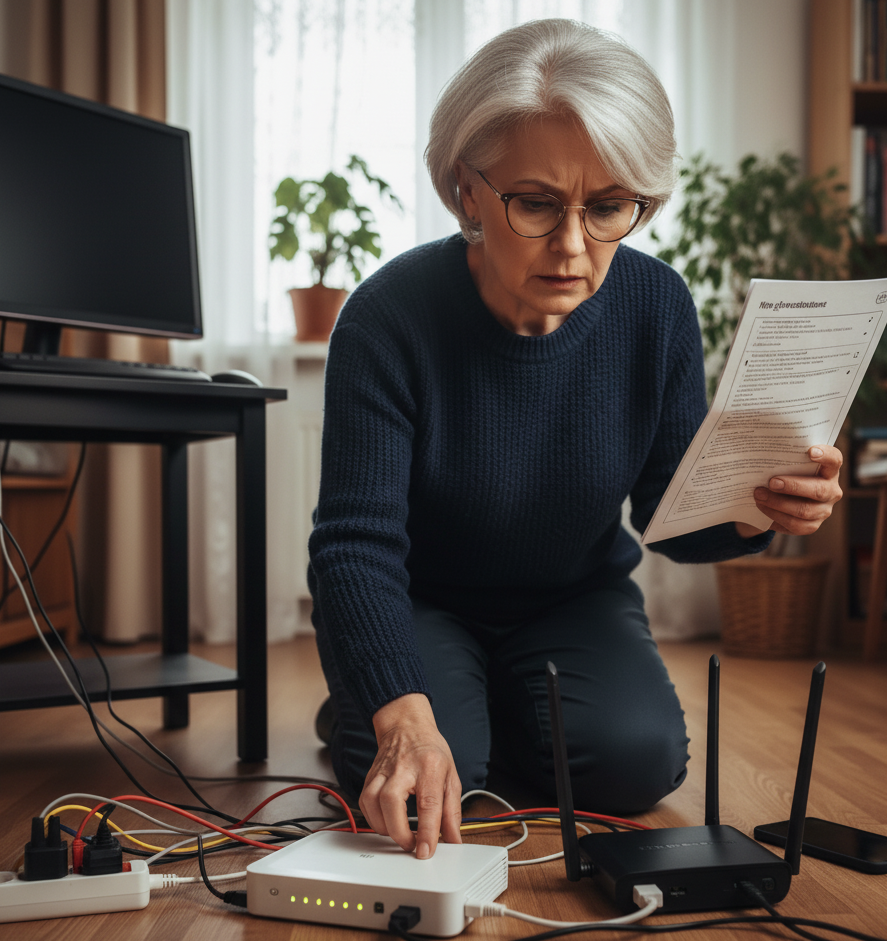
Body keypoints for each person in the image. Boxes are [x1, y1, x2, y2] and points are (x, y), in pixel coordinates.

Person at [307, 18, 842, 861]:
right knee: (442, 778)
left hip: (571, 598)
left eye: (607, 209)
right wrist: (401, 711)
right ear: (464, 191)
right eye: (535, 203)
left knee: (638, 762)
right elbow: (352, 544)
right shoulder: (386, 317)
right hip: (421, 596)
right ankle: (390, 694)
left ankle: (473, 707)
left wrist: (753, 508)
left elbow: (669, 511)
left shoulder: (655, 305)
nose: (572, 247)